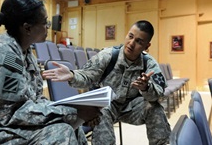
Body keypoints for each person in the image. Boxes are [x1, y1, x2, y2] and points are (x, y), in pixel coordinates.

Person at [0, 0, 100, 144]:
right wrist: (72, 112)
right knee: (60, 132)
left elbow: (36, 99)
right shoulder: (3, 52)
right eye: (45, 23)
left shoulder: (26, 52)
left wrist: (77, 114)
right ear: (27, 28)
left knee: (71, 127)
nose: (48, 28)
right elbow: (10, 113)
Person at [43, 20, 171, 145]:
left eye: (139, 41)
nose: (131, 43)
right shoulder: (108, 56)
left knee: (154, 108)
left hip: (132, 108)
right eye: (130, 36)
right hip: (108, 105)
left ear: (146, 46)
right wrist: (72, 75)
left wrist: (146, 87)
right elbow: (87, 76)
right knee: (101, 110)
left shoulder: (149, 64)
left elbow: (158, 95)